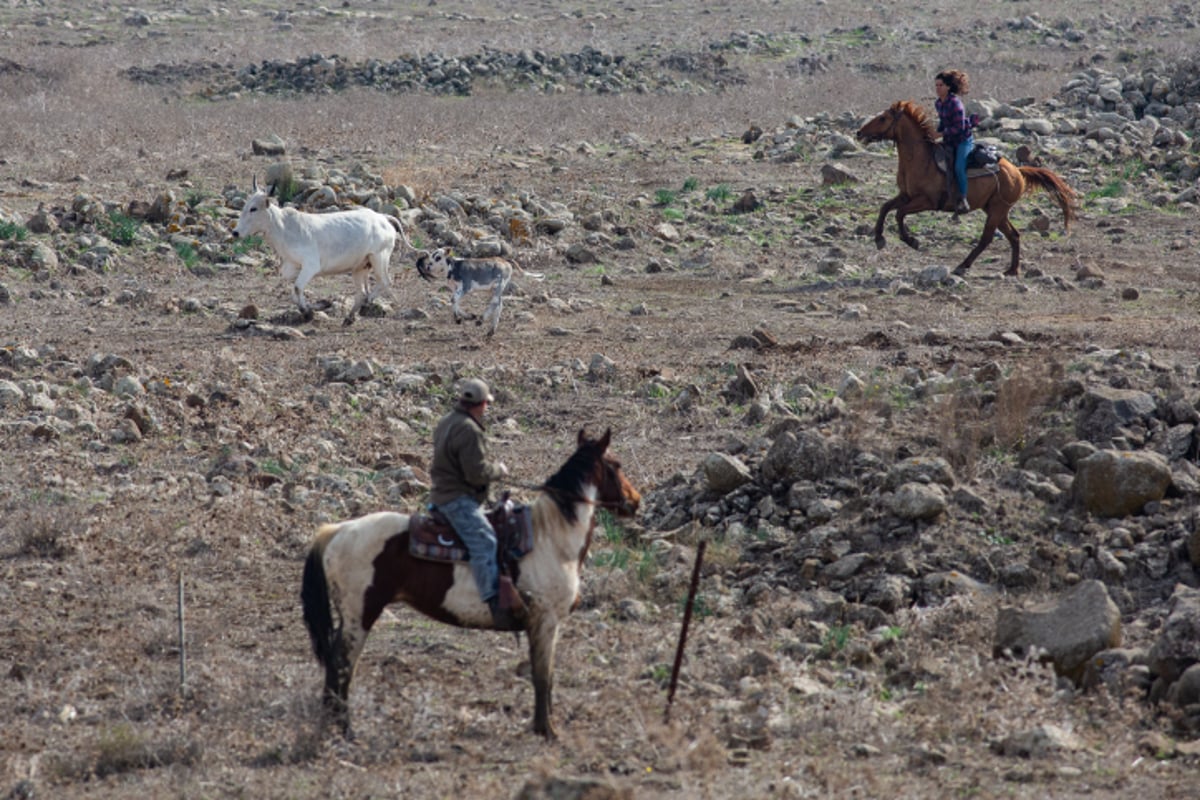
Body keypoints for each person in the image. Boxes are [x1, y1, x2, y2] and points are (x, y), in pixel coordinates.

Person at [429, 377, 525, 630]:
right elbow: (476, 473)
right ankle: (493, 603)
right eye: (487, 404)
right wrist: (499, 470)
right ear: (481, 404)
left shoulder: (446, 422)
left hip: (441, 493)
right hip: (456, 499)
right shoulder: (469, 430)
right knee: (486, 540)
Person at [934, 69, 978, 215]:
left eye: (940, 85)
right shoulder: (939, 103)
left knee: (959, 167)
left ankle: (963, 198)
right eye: (936, 85)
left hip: (962, 140)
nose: (937, 88)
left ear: (948, 87)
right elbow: (944, 122)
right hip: (949, 140)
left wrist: (941, 133)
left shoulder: (956, 104)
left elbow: (959, 127)